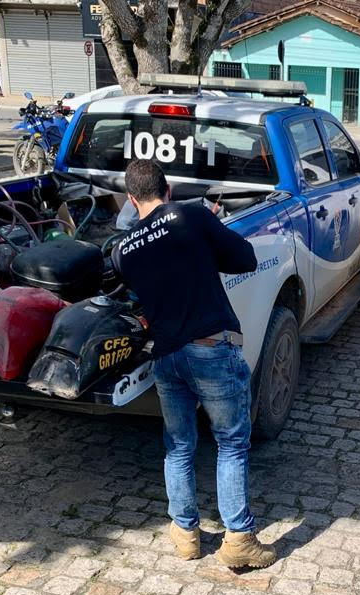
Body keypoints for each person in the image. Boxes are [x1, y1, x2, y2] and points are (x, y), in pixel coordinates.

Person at [112, 158, 276, 569]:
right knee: (232, 443)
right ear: (167, 190)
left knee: (179, 446)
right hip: (210, 348)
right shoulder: (192, 217)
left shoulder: (123, 249)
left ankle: (185, 533)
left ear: (132, 199)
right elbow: (245, 259)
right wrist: (213, 232)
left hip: (167, 356)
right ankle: (238, 537)